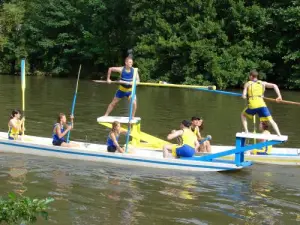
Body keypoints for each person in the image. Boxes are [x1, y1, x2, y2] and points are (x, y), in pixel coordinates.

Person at [241, 70, 282, 136]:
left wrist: (244, 95)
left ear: (251, 76)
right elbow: (274, 85)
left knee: (243, 115)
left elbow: (243, 96)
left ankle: (246, 131)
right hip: (262, 104)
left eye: (249, 76)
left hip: (253, 105)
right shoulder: (262, 83)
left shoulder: (248, 84)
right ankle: (279, 134)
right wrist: (279, 96)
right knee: (271, 120)